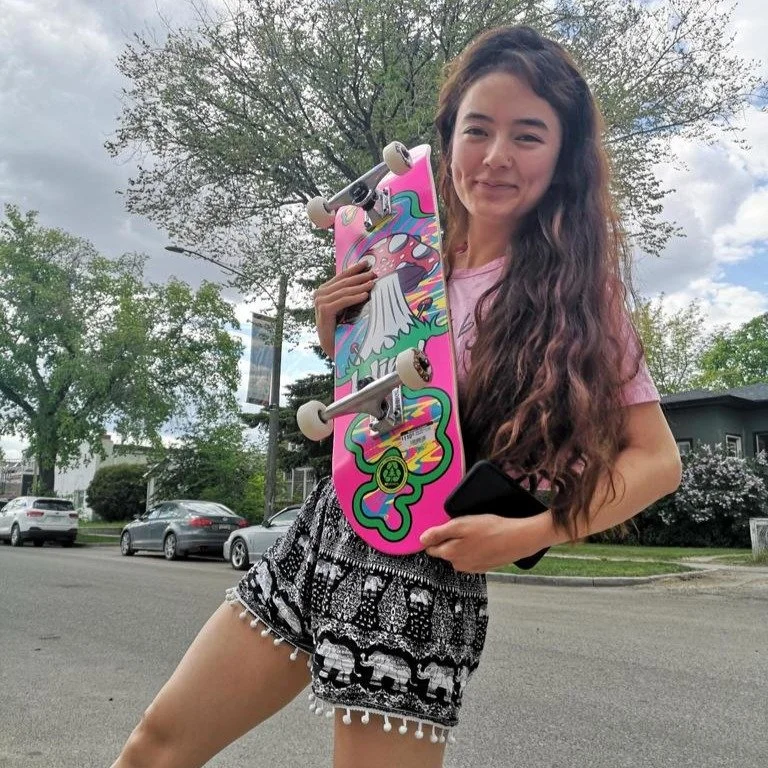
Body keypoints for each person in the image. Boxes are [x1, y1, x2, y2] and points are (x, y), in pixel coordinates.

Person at [110, 25, 681, 768]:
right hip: (321, 534)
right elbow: (387, 405)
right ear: (447, 142)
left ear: (562, 155)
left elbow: (657, 461)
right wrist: (336, 334)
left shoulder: (578, 300)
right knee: (156, 746)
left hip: (420, 577)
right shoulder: (405, 255)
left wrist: (529, 533)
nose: (496, 155)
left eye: (527, 135)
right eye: (478, 129)